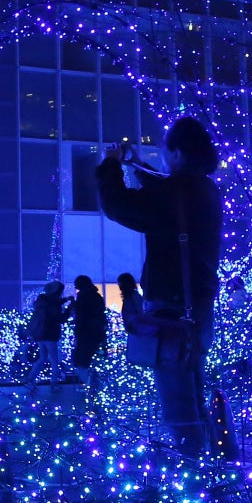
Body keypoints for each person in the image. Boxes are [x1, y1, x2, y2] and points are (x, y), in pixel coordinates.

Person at [98, 118, 223, 455]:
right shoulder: (206, 189)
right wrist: (136, 165)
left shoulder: (178, 194)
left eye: (166, 152)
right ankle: (215, 470)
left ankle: (196, 483)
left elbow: (119, 205)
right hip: (197, 308)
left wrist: (110, 166)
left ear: (178, 154)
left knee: (179, 405)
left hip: (172, 310)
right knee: (194, 394)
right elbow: (165, 191)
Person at [24, 281, 72, 391]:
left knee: (43, 357)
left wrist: (65, 300)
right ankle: (54, 384)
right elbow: (61, 318)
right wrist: (70, 308)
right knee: (54, 360)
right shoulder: (53, 303)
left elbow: (53, 304)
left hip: (40, 333)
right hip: (50, 334)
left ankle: (30, 380)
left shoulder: (43, 300)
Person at [70, 276, 108, 397]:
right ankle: (96, 385)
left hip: (85, 333)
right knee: (95, 359)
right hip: (98, 332)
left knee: (82, 360)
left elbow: (81, 316)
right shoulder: (97, 297)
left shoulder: (82, 297)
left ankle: (87, 385)